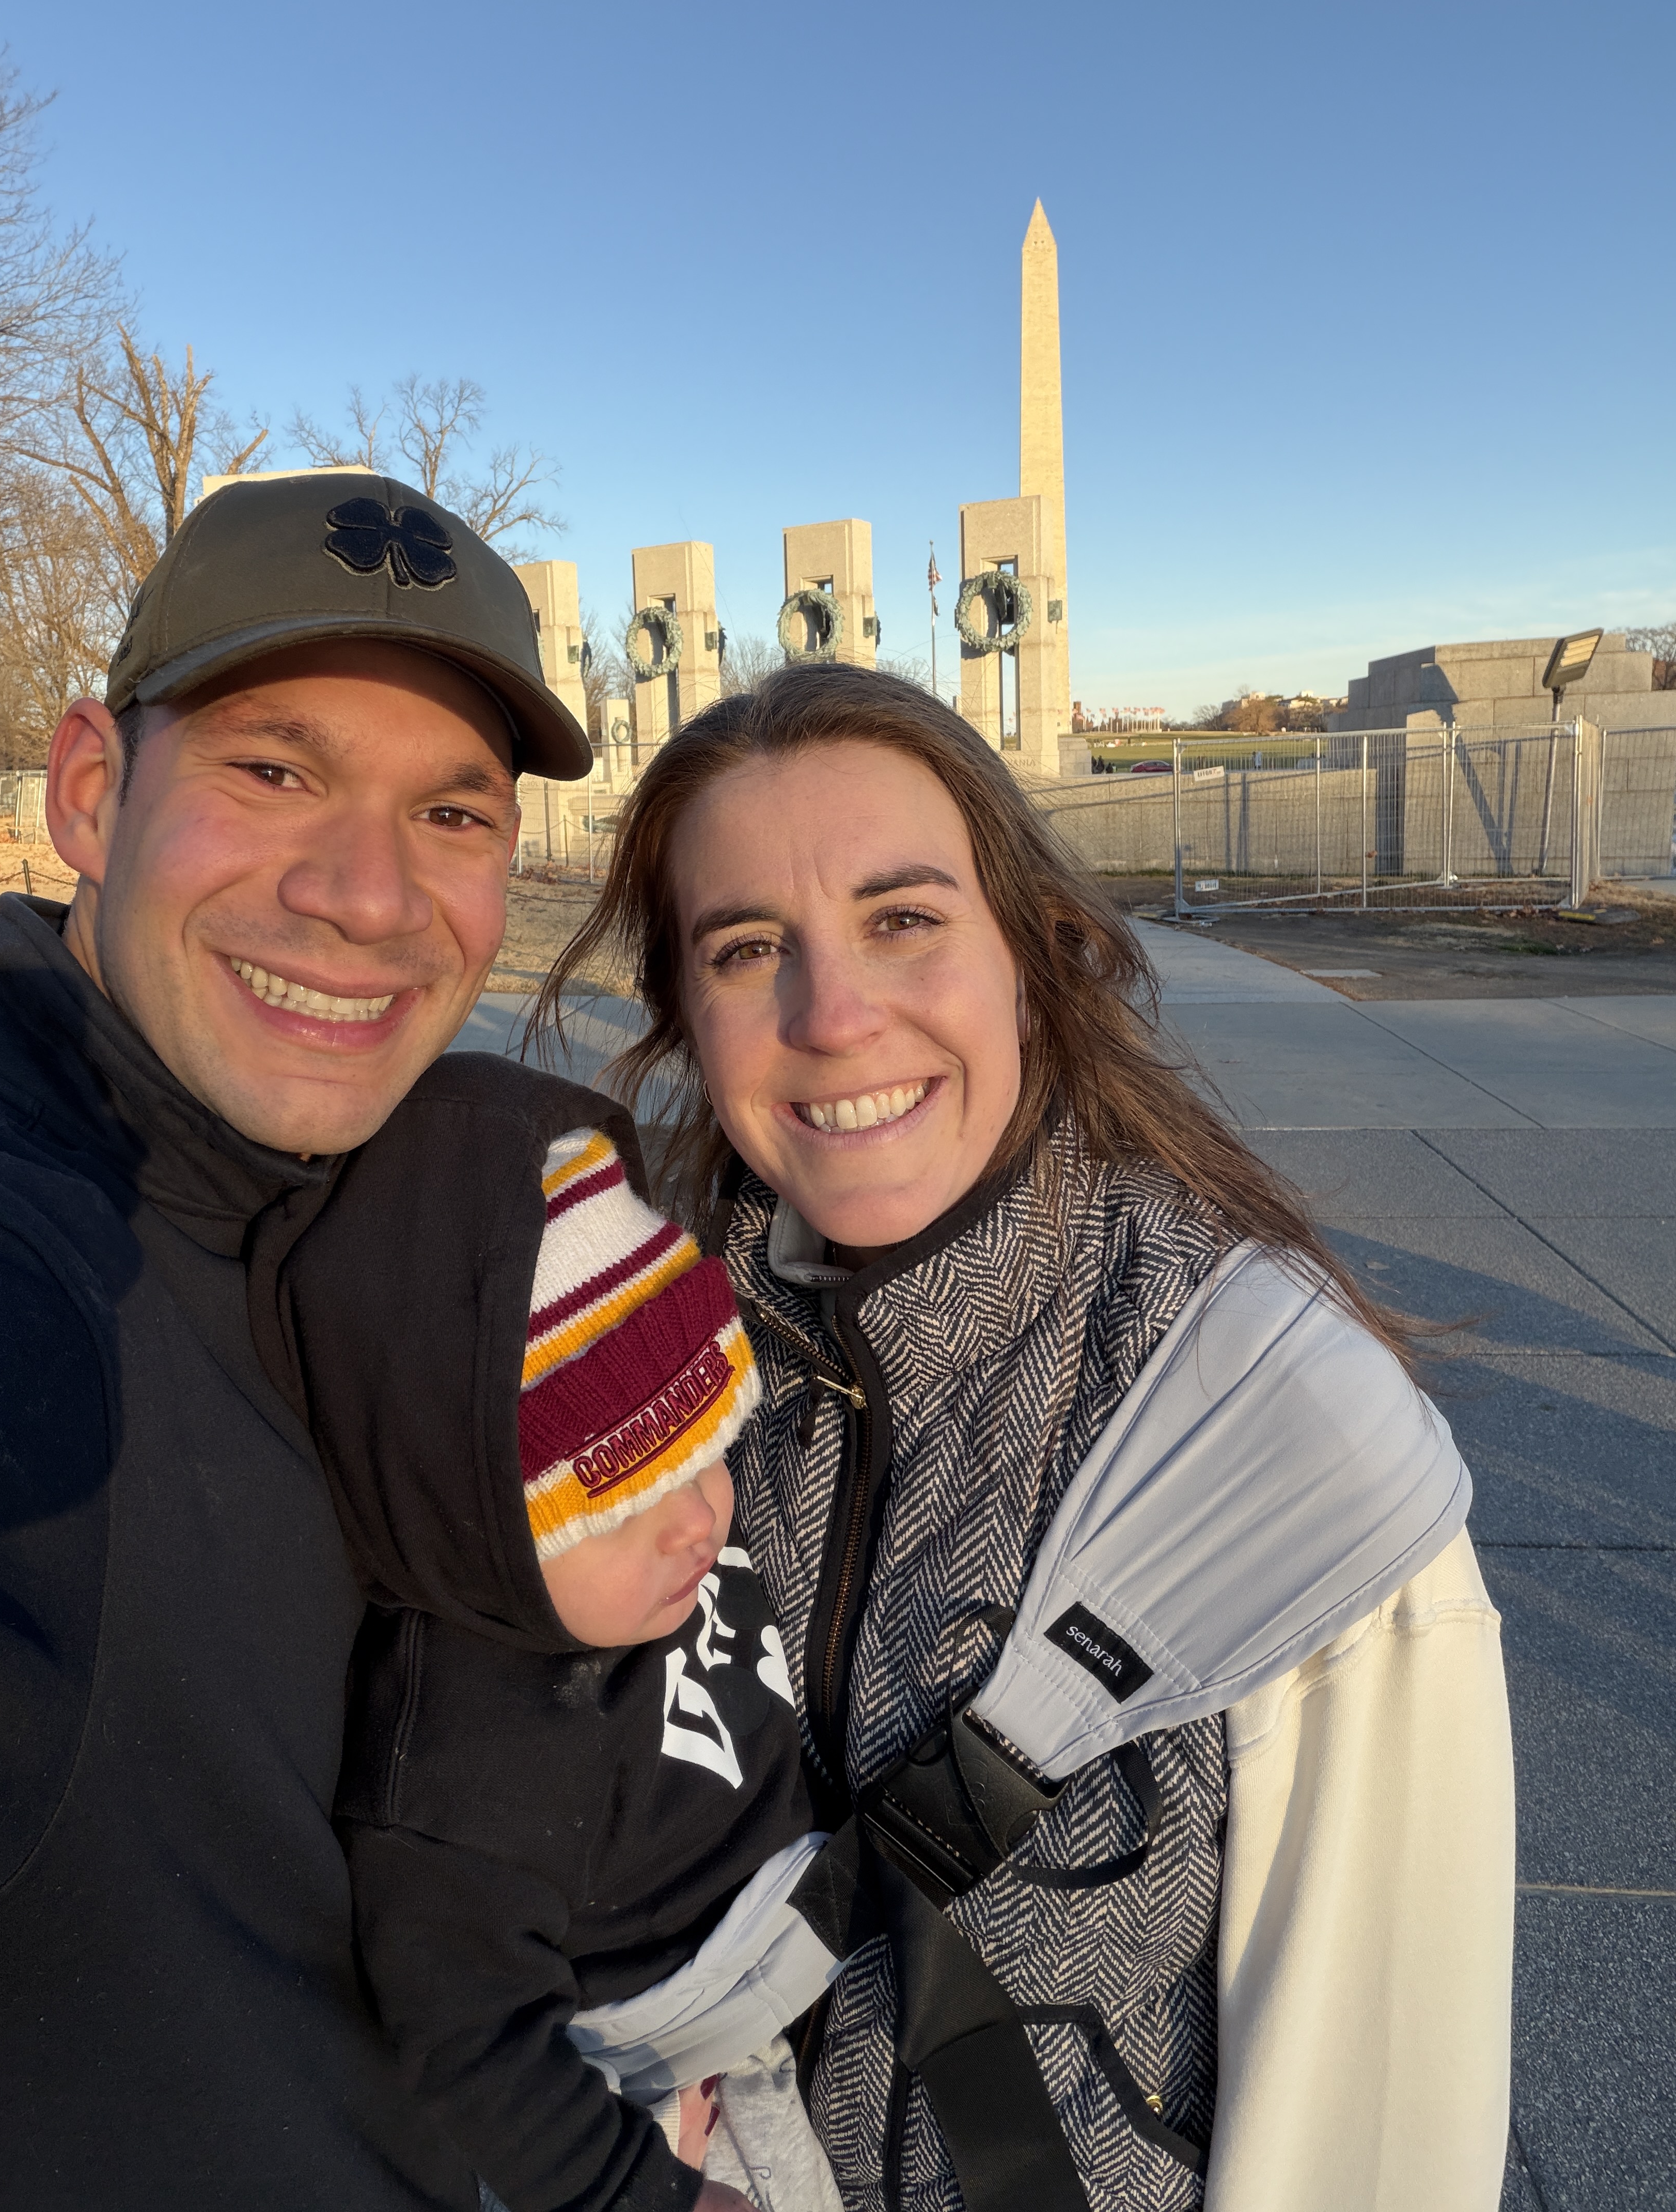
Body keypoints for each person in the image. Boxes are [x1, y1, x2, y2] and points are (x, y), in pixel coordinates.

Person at [535, 662, 1515, 2212]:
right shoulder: (626, 1376)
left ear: (1033, 953)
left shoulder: (1287, 1431)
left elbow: (1374, 2120)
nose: (833, 1016)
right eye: (748, 947)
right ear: (684, 1013)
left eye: (903, 919)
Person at [0, 469, 594, 2210]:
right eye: (274, 771)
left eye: (452, 811)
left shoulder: (350, 1220)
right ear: (92, 790)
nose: (369, 896)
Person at [284, 1118, 845, 2212]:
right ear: (472, 1531)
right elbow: (470, 2051)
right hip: (650, 2087)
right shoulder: (460, 1782)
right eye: (625, 1505)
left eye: (709, 1451)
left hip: (783, 1952)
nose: (698, 1522)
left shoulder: (638, 1568)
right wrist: (641, 2190)